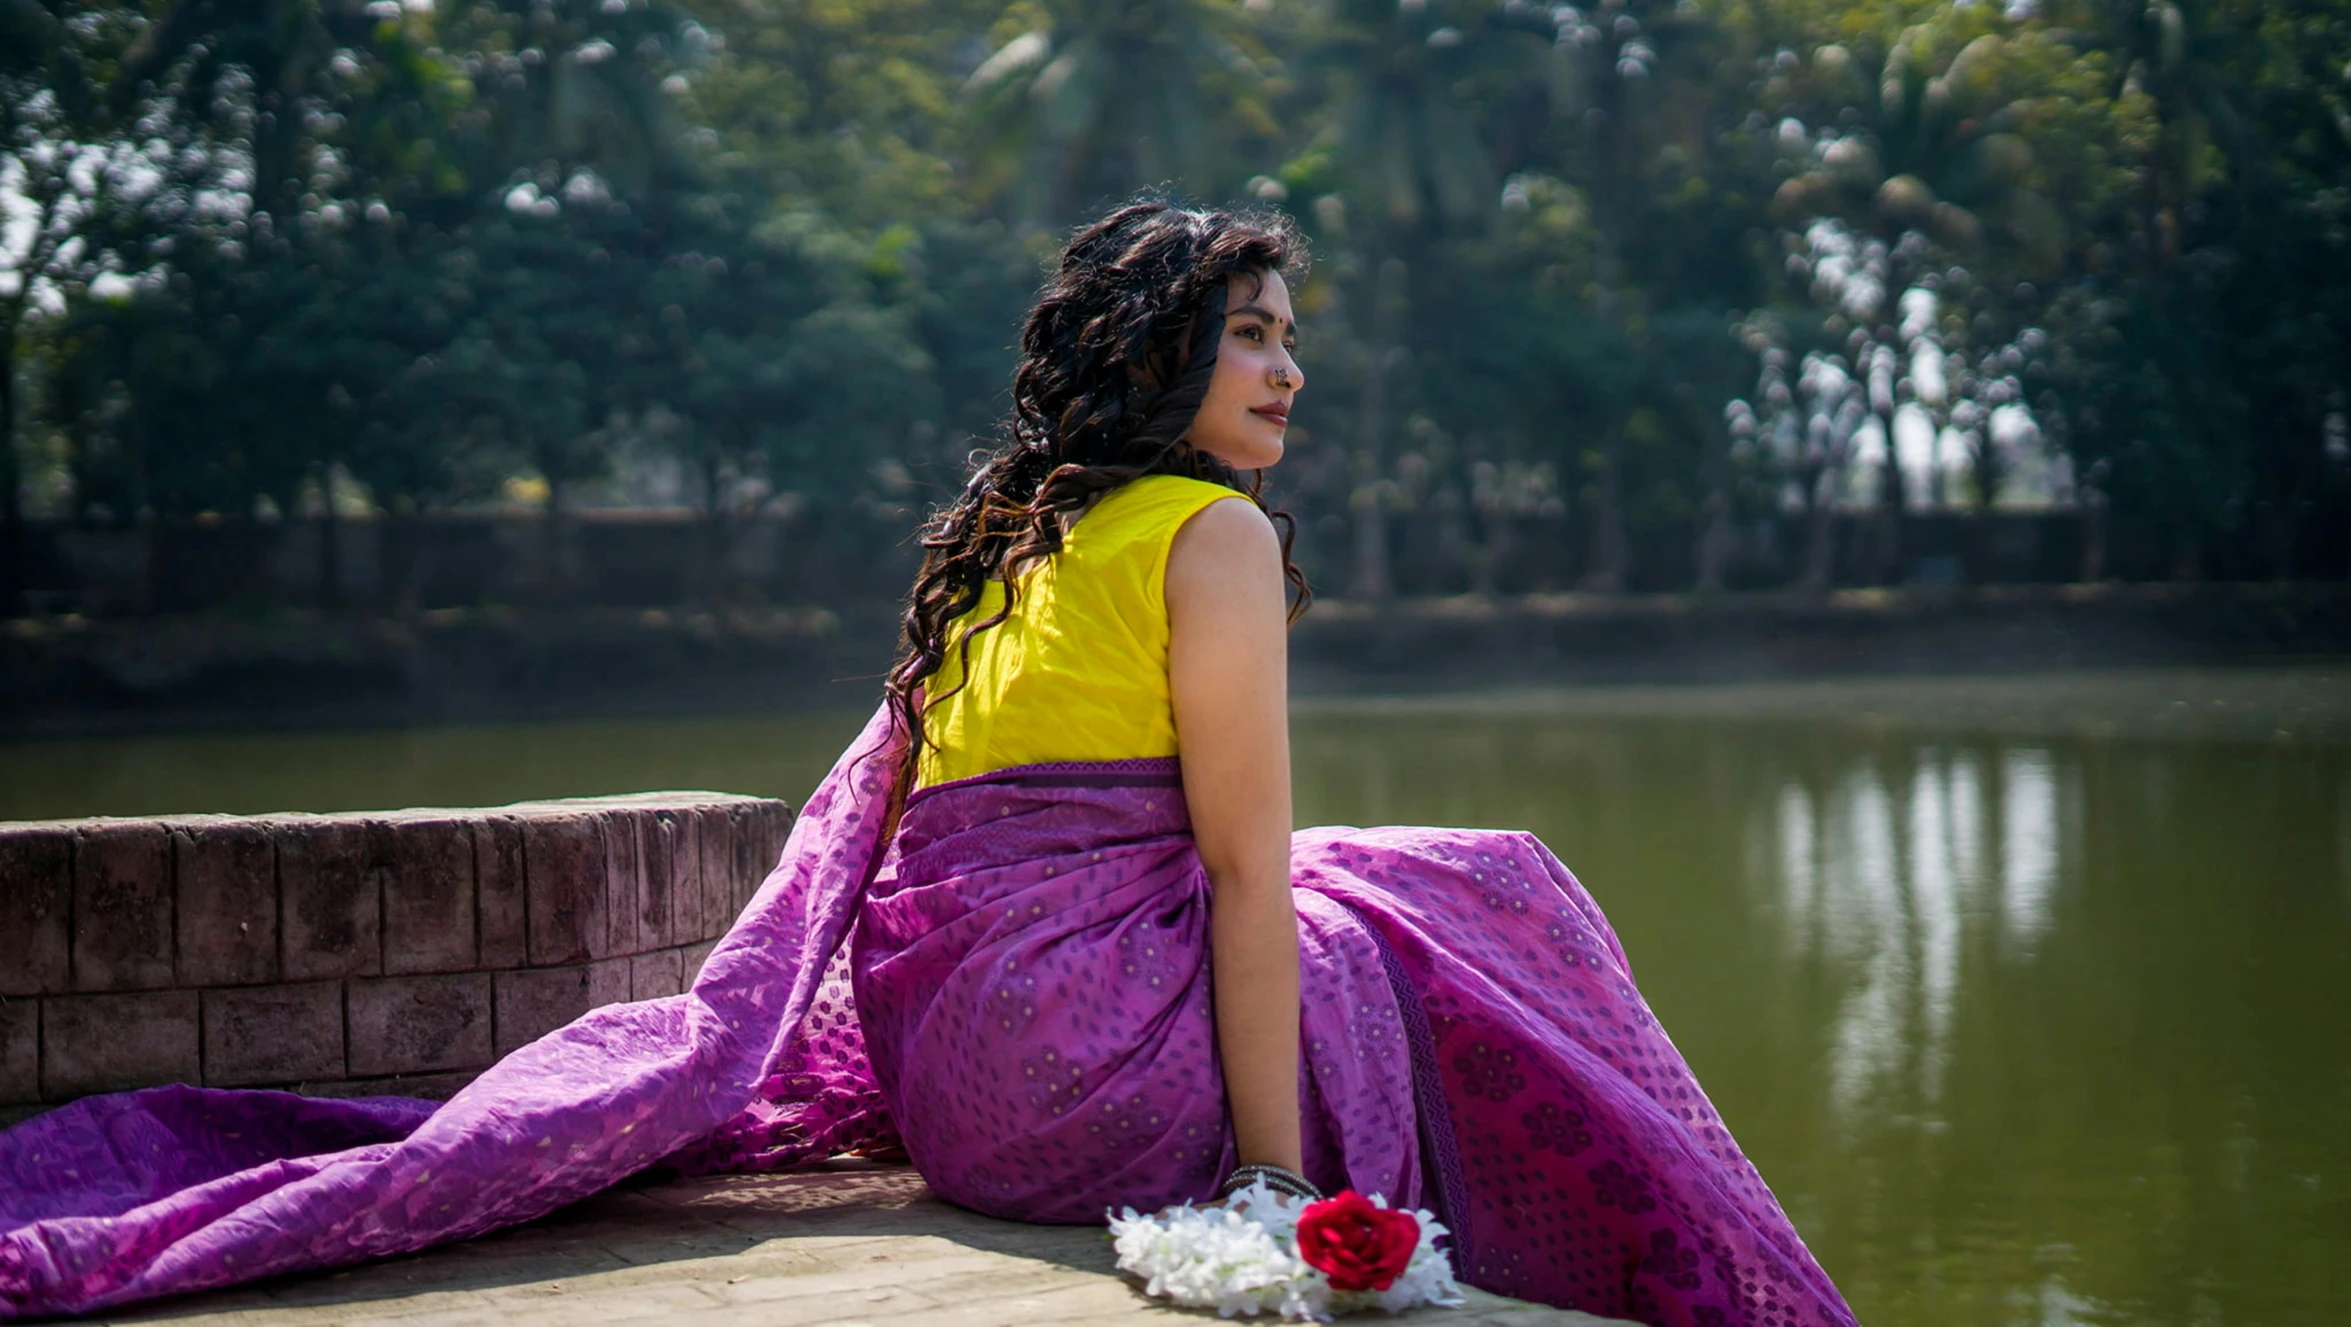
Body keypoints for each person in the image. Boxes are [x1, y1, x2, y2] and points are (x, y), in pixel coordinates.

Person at [0, 202, 1854, 1327]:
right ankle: (1637, 1258)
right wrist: (1277, 1193)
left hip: (962, 1084)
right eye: (1254, 336)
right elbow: (1229, 871)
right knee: (1471, 890)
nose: (1290, 373)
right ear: (1159, 354)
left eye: (1294, 338)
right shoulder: (1211, 540)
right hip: (1100, 1101)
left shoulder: (1019, 536)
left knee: (1394, 876)